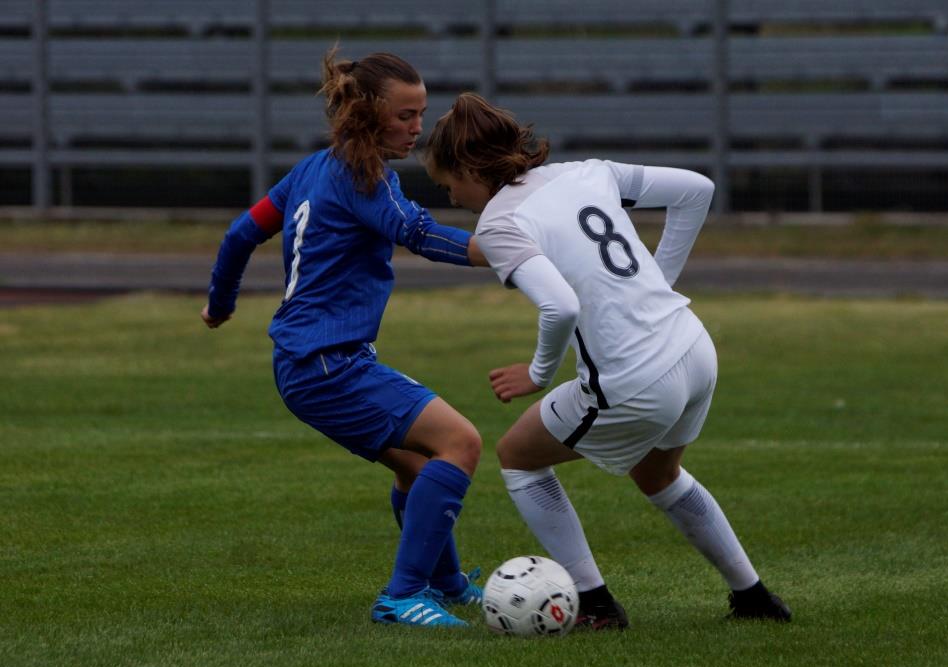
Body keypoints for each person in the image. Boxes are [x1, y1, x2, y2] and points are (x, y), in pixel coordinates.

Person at [423, 93, 792, 629]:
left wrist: (537, 373)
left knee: (519, 455)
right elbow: (697, 190)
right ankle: (754, 597)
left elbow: (560, 305)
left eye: (447, 184)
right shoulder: (585, 171)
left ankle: (595, 605)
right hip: (693, 348)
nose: (452, 196)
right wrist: (661, 283)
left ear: (469, 168)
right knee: (659, 475)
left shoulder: (500, 223)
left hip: (634, 379)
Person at [201, 50, 489, 629]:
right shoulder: (367, 178)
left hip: (307, 363)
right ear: (369, 112)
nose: (417, 128)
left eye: (421, 114)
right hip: (327, 365)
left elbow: (240, 234)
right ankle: (401, 597)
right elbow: (418, 233)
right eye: (405, 115)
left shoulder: (311, 169)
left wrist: (220, 303)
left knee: (418, 465)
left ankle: (447, 585)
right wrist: (510, 252)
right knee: (462, 442)